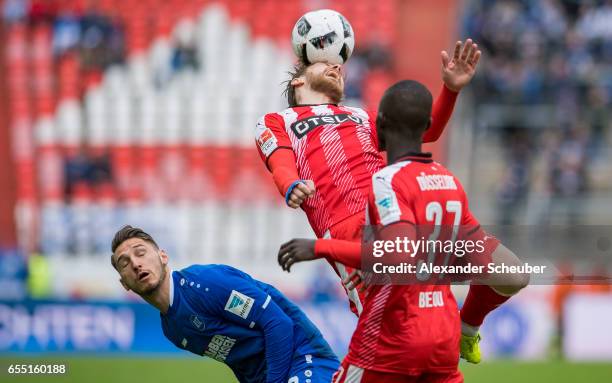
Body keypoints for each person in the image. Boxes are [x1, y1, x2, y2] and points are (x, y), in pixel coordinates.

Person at [277, 80, 529, 382]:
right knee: (511, 273)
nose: (335, 67)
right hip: (440, 334)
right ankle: (466, 328)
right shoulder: (446, 178)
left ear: (379, 126)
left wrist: (322, 249)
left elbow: (396, 257)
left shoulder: (384, 178)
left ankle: (467, 328)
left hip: (395, 331)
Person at [255, 40, 481, 319]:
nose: (337, 66)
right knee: (386, 323)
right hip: (345, 228)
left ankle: (463, 333)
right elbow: (280, 162)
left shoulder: (361, 115)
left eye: (338, 65)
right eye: (323, 64)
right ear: (299, 82)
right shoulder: (278, 120)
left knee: (430, 311)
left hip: (395, 216)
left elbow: (425, 131)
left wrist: (451, 89)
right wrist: (291, 184)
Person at [110, 225, 339, 383]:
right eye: (125, 263)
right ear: (124, 283)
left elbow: (278, 323)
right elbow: (237, 360)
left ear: (163, 256)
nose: (136, 264)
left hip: (304, 358)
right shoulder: (172, 329)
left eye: (141, 253)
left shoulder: (206, 284)